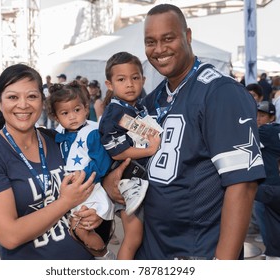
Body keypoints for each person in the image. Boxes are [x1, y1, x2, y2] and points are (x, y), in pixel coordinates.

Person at [103, 4, 266, 260]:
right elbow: (124, 156)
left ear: (187, 37)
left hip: (196, 253)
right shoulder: (152, 99)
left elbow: (243, 185)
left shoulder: (220, 92)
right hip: (152, 250)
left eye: (168, 38)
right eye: (150, 42)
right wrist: (109, 181)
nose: (159, 49)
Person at [0, 64, 100, 260]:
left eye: (31, 96)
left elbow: (90, 180)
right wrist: (66, 202)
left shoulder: (56, 138)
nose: (23, 105)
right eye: (13, 97)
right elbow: (9, 235)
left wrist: (94, 213)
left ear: (42, 100)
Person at [99, 51, 161, 259]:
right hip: (126, 182)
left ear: (143, 79)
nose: (130, 84)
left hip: (141, 179)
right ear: (109, 84)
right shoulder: (115, 112)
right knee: (133, 237)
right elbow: (117, 151)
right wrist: (150, 150)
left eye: (135, 78)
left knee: (143, 237)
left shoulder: (138, 107)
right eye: (121, 79)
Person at [46, 81, 115, 259]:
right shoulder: (59, 133)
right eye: (65, 113)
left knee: (81, 229)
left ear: (86, 108)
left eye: (77, 110)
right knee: (75, 231)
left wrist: (82, 176)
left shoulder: (90, 132)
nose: (72, 117)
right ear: (56, 117)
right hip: (73, 190)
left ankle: (106, 257)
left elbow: (102, 162)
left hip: (89, 188)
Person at [255, 101, 280, 260]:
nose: (257, 119)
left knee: (269, 225)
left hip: (270, 187)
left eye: (262, 115)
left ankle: (272, 254)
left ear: (272, 117)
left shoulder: (265, 131)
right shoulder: (275, 130)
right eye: (256, 115)